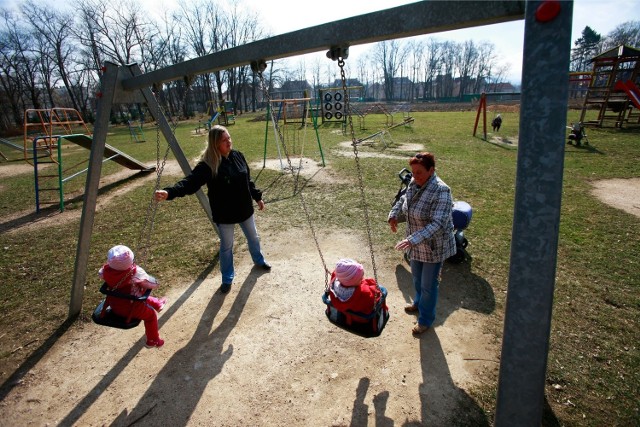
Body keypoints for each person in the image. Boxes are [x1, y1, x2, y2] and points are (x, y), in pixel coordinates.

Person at [154, 125, 270, 294]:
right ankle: (227, 277)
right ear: (215, 144)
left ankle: (259, 261)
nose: (228, 141)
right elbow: (190, 183)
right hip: (225, 214)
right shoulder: (208, 165)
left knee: (254, 237)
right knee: (226, 247)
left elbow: (248, 180)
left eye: (229, 138)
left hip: (244, 209)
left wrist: (257, 197)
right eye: (224, 140)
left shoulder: (238, 156)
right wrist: (169, 192)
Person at [388, 152, 456, 335]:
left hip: (434, 247)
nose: (415, 176)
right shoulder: (415, 182)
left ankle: (425, 320)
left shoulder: (441, 190)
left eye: (419, 172)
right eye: (413, 172)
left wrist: (411, 239)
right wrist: (393, 214)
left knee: (428, 284)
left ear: (431, 170)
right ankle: (418, 303)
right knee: (417, 277)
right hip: (416, 243)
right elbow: (403, 199)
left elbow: (438, 224)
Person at [98, 245, 166, 348]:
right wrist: (156, 283)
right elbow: (149, 284)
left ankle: (157, 303)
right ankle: (153, 340)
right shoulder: (136, 272)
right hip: (132, 308)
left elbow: (101, 275)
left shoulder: (105, 271)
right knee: (151, 316)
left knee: (136, 295)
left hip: (114, 304)